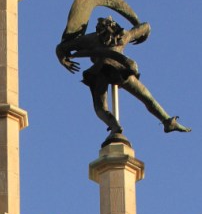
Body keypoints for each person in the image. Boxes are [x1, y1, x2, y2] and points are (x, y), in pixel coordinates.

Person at [57, 14, 190, 139]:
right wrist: (63, 59)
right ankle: (115, 127)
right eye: (103, 32)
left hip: (119, 70)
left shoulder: (123, 35)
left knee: (146, 97)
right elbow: (62, 47)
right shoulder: (91, 39)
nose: (107, 36)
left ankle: (167, 121)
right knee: (101, 108)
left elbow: (145, 26)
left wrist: (144, 33)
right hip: (100, 72)